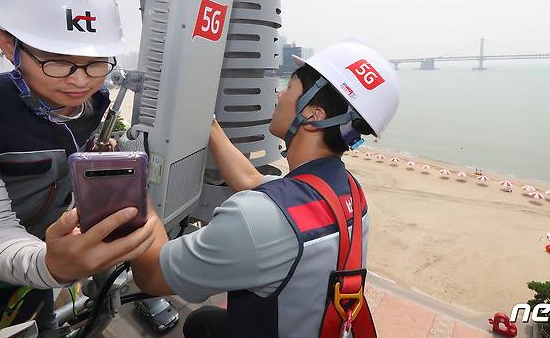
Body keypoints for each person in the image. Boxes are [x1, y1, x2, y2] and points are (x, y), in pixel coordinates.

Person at [131, 41, 400, 337]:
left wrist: (133, 188)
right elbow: (250, 181)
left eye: (289, 87)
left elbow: (152, 275)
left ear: (313, 114)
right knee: (203, 321)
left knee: (201, 324)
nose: (279, 93)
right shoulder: (351, 191)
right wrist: (208, 122)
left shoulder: (258, 219)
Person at [0, 0, 158, 332]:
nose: (80, 81)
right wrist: (51, 264)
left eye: (96, 63)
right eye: (57, 61)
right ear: (6, 44)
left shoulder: (97, 106)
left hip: (45, 268)